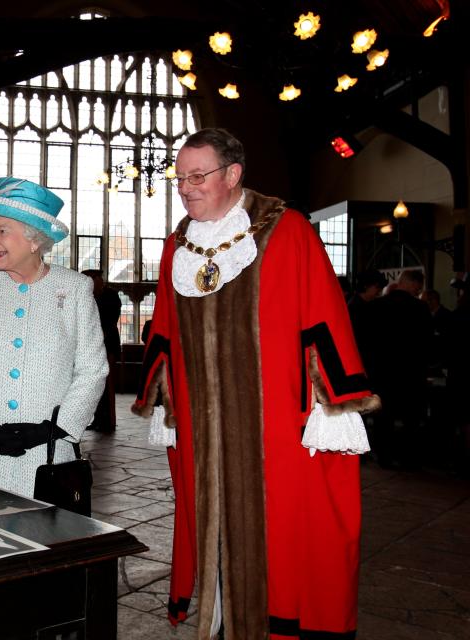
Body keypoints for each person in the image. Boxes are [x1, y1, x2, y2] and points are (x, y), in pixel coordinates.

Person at [131, 128, 379, 639]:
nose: (185, 187)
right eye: (180, 178)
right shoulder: (178, 244)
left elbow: (324, 318)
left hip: (277, 429)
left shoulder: (286, 231)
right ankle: (221, 619)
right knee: (208, 522)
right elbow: (166, 331)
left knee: (285, 531)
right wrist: (165, 401)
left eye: (197, 176)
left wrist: (332, 408)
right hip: (202, 428)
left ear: (233, 175)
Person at [0, 177, 108, 497]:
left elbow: (92, 370)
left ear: (33, 239)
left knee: (44, 541)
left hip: (49, 456)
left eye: (2, 230)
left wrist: (50, 430)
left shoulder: (74, 289)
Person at [366, 269, 433, 469]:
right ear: (414, 285)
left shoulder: (377, 306)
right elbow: (426, 343)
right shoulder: (420, 308)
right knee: (410, 417)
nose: (419, 291)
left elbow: (368, 341)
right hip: (410, 372)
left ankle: (384, 456)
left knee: (382, 417)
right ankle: (407, 458)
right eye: (418, 287)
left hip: (382, 371)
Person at [82, 269, 121, 432]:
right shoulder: (88, 296)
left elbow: (110, 320)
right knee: (93, 385)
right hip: (90, 346)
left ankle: (108, 422)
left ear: (98, 279)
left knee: (107, 386)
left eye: (92, 279)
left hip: (107, 346)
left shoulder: (110, 296)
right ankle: (98, 419)